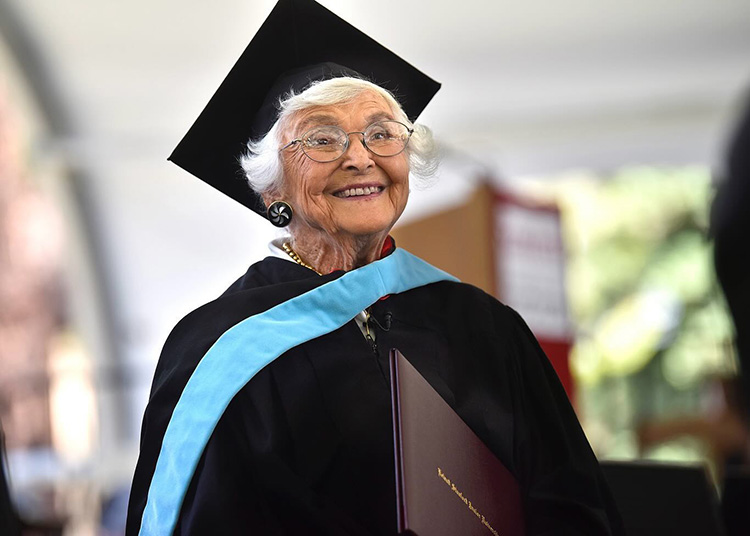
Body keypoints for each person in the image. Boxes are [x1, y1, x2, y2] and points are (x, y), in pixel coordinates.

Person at [126, 1, 623, 534]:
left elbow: (572, 502)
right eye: (321, 139)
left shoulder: (485, 327)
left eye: (382, 133)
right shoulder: (220, 347)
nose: (360, 157)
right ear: (272, 187)